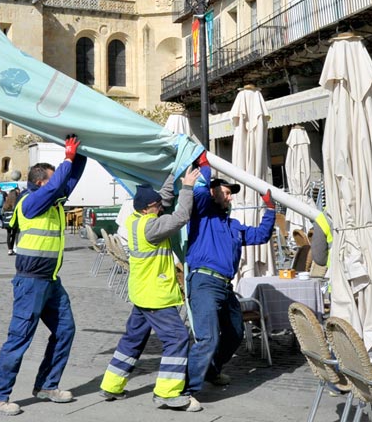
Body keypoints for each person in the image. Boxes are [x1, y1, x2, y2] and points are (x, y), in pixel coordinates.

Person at [0, 135, 86, 416]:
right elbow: (59, 183)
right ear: (41, 181)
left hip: (51, 281)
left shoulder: (52, 201)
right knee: (20, 337)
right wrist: (66, 157)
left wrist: (82, 153)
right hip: (31, 281)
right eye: (52, 181)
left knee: (65, 330)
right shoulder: (31, 202)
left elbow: (70, 180)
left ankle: (47, 385)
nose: (57, 185)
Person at [100, 167, 202, 412]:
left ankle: (111, 385)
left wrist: (175, 171)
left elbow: (163, 198)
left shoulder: (134, 219)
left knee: (132, 339)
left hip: (141, 292)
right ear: (148, 209)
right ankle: (167, 393)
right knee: (177, 338)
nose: (161, 207)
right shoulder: (152, 228)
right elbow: (180, 216)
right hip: (156, 296)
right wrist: (187, 187)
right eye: (157, 206)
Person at [185, 156, 276, 396]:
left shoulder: (233, 225)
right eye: (226, 192)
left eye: (230, 193)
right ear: (214, 193)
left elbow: (261, 236)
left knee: (235, 332)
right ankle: (185, 390)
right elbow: (200, 193)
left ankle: (212, 370)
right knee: (208, 338)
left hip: (225, 286)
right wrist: (205, 168)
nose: (230, 197)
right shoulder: (202, 214)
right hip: (204, 282)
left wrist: (270, 209)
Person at [2, 187, 18, 255]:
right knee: (14, 234)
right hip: (13, 220)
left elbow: (3, 211)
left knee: (8, 235)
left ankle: (9, 249)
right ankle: (12, 247)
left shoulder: (6, 202)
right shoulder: (16, 202)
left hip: (7, 221)